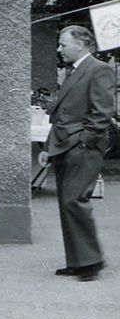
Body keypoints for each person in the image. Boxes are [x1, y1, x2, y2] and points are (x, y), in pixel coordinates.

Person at [38, 25, 115, 282]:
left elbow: (102, 113)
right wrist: (48, 148)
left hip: (82, 149)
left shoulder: (99, 69)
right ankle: (78, 261)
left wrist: (84, 142)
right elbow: (60, 115)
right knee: (67, 204)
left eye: (63, 44)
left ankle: (91, 262)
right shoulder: (73, 72)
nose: (59, 49)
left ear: (81, 44)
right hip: (64, 145)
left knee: (75, 201)